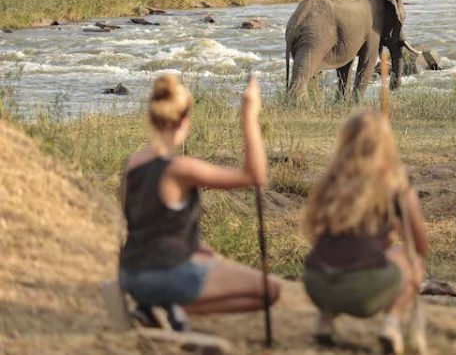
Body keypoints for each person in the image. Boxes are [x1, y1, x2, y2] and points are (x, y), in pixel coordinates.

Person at [118, 74, 280, 327]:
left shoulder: (131, 164)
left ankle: (154, 306)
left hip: (130, 275)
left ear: (151, 117)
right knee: (270, 290)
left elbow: (144, 224)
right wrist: (249, 115)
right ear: (183, 121)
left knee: (207, 261)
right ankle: (173, 306)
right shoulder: (179, 168)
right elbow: (255, 176)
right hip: (164, 274)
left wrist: (191, 246)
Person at [302, 111, 429, 355]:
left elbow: (315, 235)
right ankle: (392, 324)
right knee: (412, 258)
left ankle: (324, 320)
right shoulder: (396, 189)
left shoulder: (327, 183)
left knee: (337, 255)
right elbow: (420, 246)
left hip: (315, 283)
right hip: (361, 293)